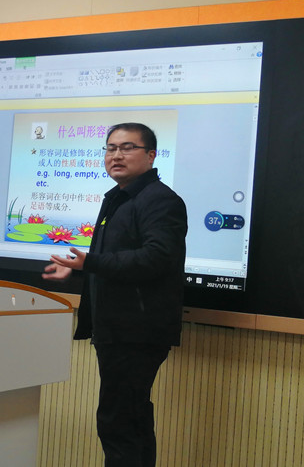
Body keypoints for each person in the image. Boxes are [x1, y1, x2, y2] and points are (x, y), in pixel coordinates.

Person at [43, 122, 188, 467]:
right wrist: (82, 267)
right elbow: (117, 259)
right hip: (117, 329)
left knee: (120, 424)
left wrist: (91, 262)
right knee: (129, 420)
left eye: (127, 148)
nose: (116, 155)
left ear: (151, 155)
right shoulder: (119, 197)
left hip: (137, 330)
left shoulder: (160, 200)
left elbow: (156, 258)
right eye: (110, 148)